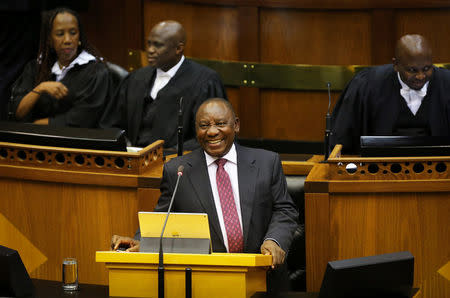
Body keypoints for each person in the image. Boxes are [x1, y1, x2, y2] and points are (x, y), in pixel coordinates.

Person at [111, 98, 299, 292]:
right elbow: (164, 219)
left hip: (264, 278)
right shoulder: (178, 171)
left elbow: (285, 210)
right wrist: (142, 241)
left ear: (236, 125)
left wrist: (274, 240)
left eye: (220, 124)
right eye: (204, 125)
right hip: (207, 281)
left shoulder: (266, 162)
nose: (211, 131)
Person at [99, 20, 227, 149]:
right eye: (149, 44)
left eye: (158, 45)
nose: (150, 50)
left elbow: (211, 135)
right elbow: (110, 125)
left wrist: (169, 156)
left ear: (178, 49)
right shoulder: (136, 78)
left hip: (177, 162)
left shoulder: (205, 81)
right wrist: (123, 144)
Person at [330, 34, 450, 154]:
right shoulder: (366, 85)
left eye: (426, 68)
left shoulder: (447, 83)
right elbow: (342, 138)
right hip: (378, 168)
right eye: (412, 70)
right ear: (396, 65)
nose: (420, 76)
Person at [9, 7, 110, 127]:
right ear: (50, 40)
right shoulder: (36, 68)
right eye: (60, 34)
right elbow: (17, 113)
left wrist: (36, 126)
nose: (67, 40)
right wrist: (40, 89)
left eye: (73, 33)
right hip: (34, 140)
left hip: (77, 142)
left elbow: (82, 120)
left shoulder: (95, 71)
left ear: (79, 38)